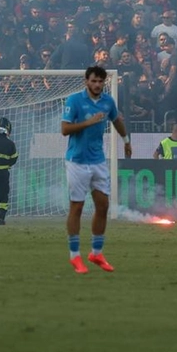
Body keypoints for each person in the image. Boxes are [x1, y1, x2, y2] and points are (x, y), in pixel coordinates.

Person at [61, 65, 131, 274]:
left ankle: (96, 253)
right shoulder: (74, 100)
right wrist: (88, 122)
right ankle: (75, 256)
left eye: (101, 81)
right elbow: (64, 130)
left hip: (98, 160)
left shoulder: (108, 102)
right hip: (77, 161)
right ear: (86, 81)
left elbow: (116, 119)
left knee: (103, 205)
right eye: (94, 81)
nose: (97, 85)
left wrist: (126, 140)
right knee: (77, 207)